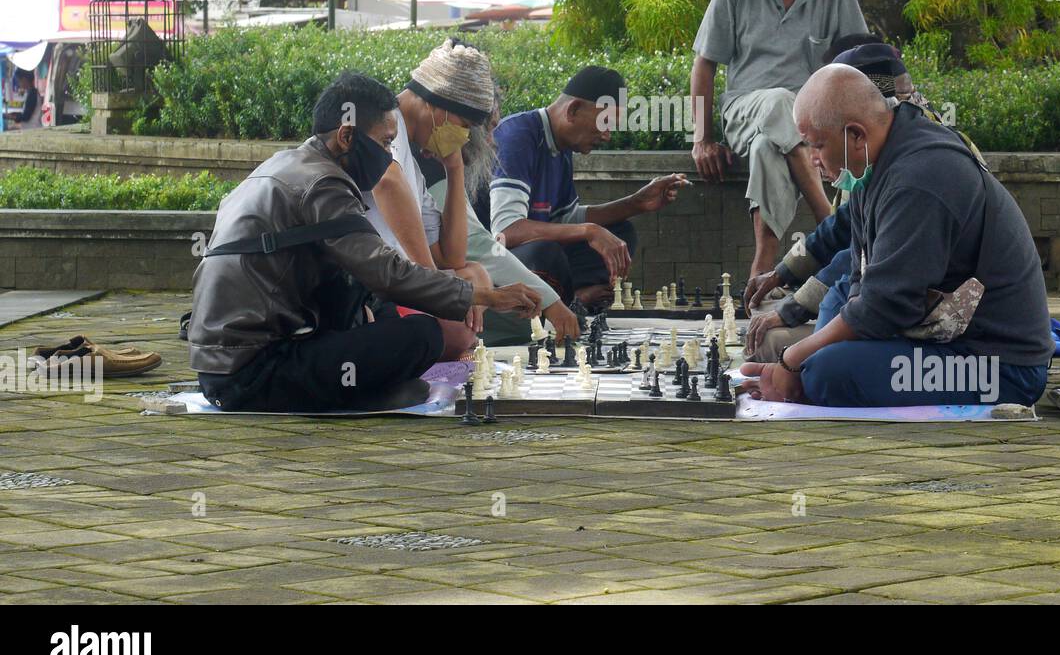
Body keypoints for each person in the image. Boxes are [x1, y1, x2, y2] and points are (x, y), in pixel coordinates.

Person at [188, 72, 541, 413]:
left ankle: (363, 386)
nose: (389, 156)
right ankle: (360, 392)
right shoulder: (322, 184)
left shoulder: (287, 164)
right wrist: (490, 297)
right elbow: (387, 273)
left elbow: (358, 276)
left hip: (225, 364)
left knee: (378, 309)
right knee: (422, 336)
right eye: (385, 143)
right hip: (250, 373)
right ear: (346, 136)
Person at [738, 64, 1052, 408]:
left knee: (826, 374)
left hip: (996, 366)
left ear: (856, 135)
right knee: (829, 324)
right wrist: (800, 358)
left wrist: (793, 360)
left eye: (817, 145)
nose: (812, 160)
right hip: (942, 340)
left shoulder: (919, 180)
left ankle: (806, 377)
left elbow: (883, 307)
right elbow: (860, 278)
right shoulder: (870, 167)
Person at [743, 40, 982, 358]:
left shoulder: (915, 166)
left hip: (947, 319)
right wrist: (784, 270)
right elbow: (838, 229)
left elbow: (857, 257)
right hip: (893, 298)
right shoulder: (878, 149)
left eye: (818, 144)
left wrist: (793, 310)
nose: (813, 158)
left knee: (805, 359)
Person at [690, 0, 869, 283]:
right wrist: (702, 139)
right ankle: (830, 221)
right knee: (780, 102)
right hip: (745, 111)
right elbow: (704, 65)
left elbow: (856, 59)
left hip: (808, 126)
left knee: (766, 151)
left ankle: (763, 264)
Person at [362, 39, 512, 359]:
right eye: (464, 126)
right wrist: (440, 295)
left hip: (396, 285)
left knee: (475, 274)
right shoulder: (382, 127)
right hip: (366, 292)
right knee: (456, 330)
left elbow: (452, 259)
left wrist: (454, 168)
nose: (465, 137)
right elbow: (386, 182)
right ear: (438, 104)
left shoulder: (411, 163)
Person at [490, 65, 688, 308]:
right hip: (492, 260)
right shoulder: (518, 136)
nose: (607, 136)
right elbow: (506, 231)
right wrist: (589, 231)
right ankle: (572, 301)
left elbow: (566, 218)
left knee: (620, 232)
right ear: (573, 110)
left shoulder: (562, 146)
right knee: (544, 251)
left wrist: (636, 203)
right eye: (605, 123)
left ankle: (577, 296)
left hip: (536, 260)